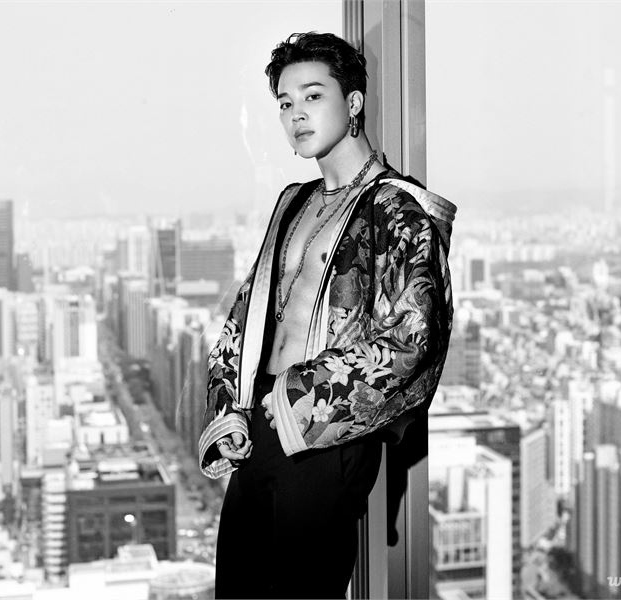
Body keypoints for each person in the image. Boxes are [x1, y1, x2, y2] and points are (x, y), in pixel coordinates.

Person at [197, 31, 455, 599]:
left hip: (325, 434)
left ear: (353, 102)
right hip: (259, 426)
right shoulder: (293, 200)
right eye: (285, 102)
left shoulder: (396, 208)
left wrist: (301, 395)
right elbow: (246, 315)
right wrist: (230, 408)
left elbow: (412, 338)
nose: (296, 115)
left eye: (313, 96)